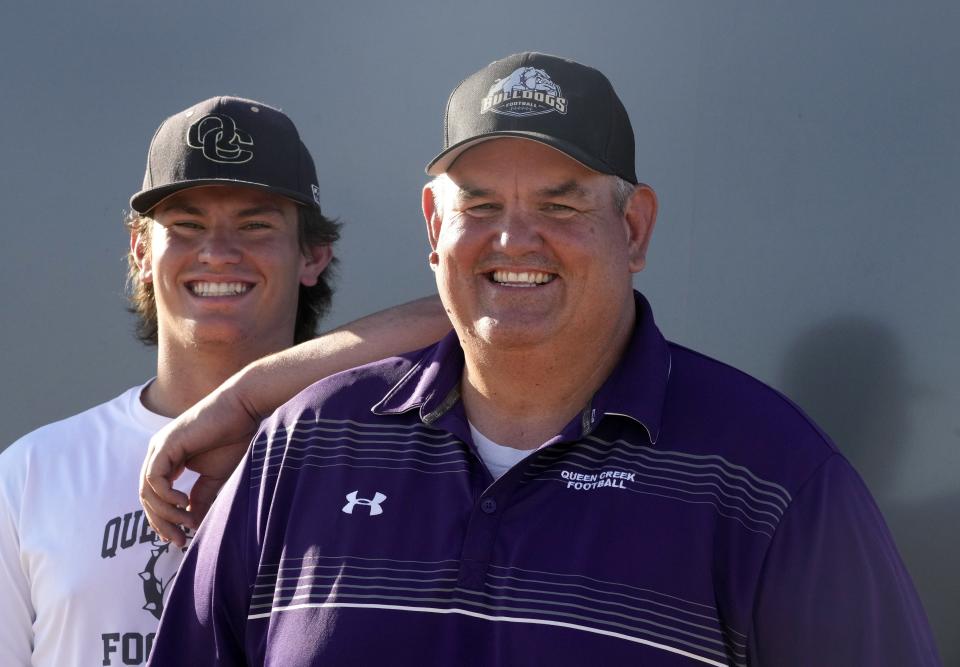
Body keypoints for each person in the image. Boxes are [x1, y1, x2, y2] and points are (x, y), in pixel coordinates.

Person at [145, 56, 942, 665]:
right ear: (433, 224)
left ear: (633, 228)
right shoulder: (305, 447)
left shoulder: (774, 481)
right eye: (480, 206)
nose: (513, 240)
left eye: (559, 205)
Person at [0, 95, 449, 667]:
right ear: (140, 252)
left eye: (255, 225)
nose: (217, 252)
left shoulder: (368, 455)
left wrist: (249, 396)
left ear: (313, 257)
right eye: (185, 226)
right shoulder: (34, 472)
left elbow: (483, 313)